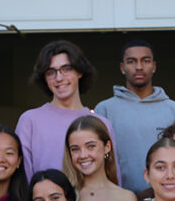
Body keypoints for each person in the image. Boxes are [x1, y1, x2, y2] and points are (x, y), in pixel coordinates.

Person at [16, 40, 118, 181]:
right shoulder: (30, 121)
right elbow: (22, 179)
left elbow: (113, 176)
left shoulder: (102, 123)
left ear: (80, 71)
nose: (59, 78)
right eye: (51, 72)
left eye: (66, 69)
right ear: (44, 78)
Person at [95, 39, 175, 193]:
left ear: (154, 66)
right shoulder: (105, 110)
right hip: (118, 199)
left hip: (167, 198)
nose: (139, 67)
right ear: (122, 67)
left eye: (145, 61)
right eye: (131, 61)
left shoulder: (174, 110)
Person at [63, 115, 136, 201]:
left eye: (91, 146)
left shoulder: (127, 198)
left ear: (107, 147)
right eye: (75, 149)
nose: (83, 155)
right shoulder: (64, 196)